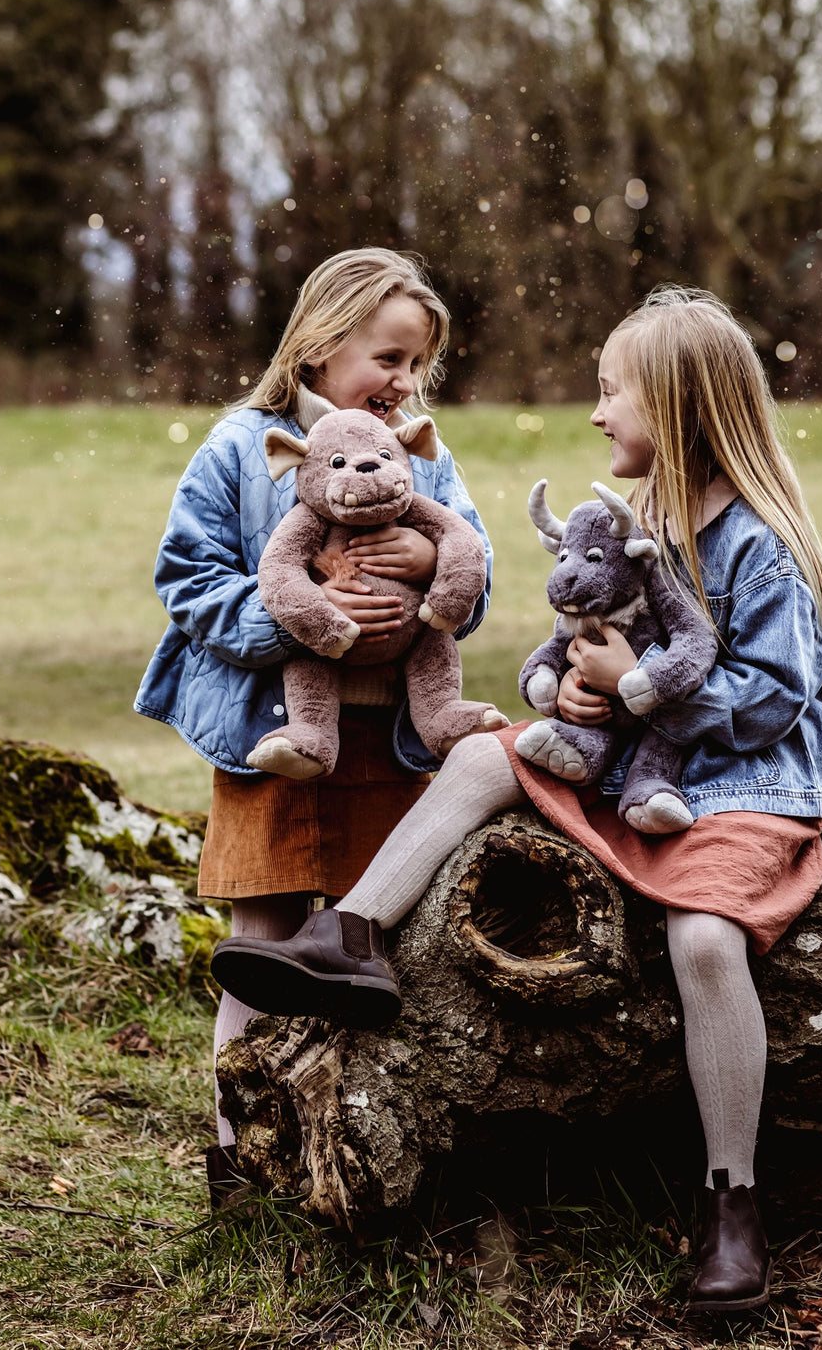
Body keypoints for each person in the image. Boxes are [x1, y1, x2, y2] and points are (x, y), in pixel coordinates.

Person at [212, 285, 822, 1316]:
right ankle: (351, 936)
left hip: (742, 785)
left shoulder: (758, 542)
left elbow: (774, 697)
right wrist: (566, 688)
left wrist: (636, 689)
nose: (596, 414)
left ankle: (731, 1201)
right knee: (481, 756)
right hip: (635, 766)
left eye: (613, 393)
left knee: (702, 941)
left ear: (678, 407)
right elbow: (573, 639)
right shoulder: (633, 522)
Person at [134, 248, 503, 1199]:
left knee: (373, 949)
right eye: (389, 358)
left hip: (390, 744)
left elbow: (476, 569)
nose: (405, 381)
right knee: (259, 946)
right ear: (319, 343)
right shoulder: (239, 447)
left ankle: (364, 1156)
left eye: (418, 364)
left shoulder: (420, 452)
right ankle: (237, 1158)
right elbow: (187, 579)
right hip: (273, 744)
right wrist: (301, 612)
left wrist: (428, 565)